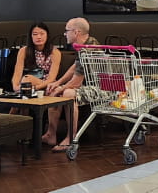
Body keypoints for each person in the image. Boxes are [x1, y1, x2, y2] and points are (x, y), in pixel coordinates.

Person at [42, 17, 99, 151]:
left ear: (76, 32)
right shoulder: (85, 44)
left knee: (67, 93)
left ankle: (71, 138)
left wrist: (61, 88)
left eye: (67, 31)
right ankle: (51, 134)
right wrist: (58, 83)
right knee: (55, 90)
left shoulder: (88, 49)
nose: (64, 34)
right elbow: (75, 67)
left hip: (101, 89)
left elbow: (77, 82)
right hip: (88, 86)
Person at [11, 22, 61, 92]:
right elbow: (17, 73)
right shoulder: (23, 51)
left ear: (47, 35)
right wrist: (15, 87)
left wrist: (35, 88)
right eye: (35, 34)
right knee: (27, 79)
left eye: (42, 34)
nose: (39, 37)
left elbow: (51, 78)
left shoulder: (55, 52)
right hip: (27, 83)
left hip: (46, 83)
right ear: (30, 36)